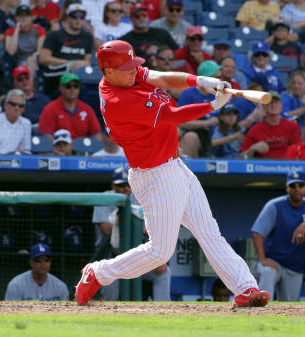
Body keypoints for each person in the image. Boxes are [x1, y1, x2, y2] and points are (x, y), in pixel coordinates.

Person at [75, 40, 270, 308]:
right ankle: (98, 273)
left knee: (209, 232)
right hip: (154, 175)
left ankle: (246, 288)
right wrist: (213, 106)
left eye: (134, 66)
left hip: (174, 166)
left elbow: (162, 78)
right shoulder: (118, 100)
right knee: (159, 251)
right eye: (127, 68)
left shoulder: (124, 77)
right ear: (108, 72)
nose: (134, 71)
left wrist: (200, 80)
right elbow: (172, 116)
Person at [92, 167, 171, 301]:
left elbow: (153, 229)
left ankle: (163, 311)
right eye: (121, 185)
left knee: (164, 272)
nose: (126, 189)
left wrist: (160, 259)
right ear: (113, 186)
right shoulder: (106, 197)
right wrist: (139, 226)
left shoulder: (140, 197)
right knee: (110, 300)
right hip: (111, 258)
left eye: (129, 184)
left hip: (137, 258)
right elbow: (107, 230)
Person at [252, 171, 305, 301]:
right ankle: (260, 312)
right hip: (274, 261)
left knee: (290, 305)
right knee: (267, 272)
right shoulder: (275, 205)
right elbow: (258, 231)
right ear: (287, 188)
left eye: (300, 185)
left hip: (295, 266)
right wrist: (263, 259)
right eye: (293, 185)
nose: (297, 189)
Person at [38, 3, 93, 97]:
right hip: (56, 75)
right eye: (74, 16)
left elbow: (87, 61)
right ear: (67, 17)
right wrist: (69, 64)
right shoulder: (54, 35)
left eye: (82, 17)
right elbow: (43, 58)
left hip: (79, 76)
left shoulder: (88, 37)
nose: (78, 20)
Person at [38, 72, 102, 141]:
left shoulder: (87, 109)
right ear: (60, 88)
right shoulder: (50, 109)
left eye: (76, 86)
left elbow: (96, 134)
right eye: (68, 86)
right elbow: (47, 136)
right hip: (59, 149)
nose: (72, 89)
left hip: (82, 150)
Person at [239, 91, 300, 159]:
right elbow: (241, 158)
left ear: (281, 106)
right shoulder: (255, 130)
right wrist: (252, 149)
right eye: (269, 102)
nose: (273, 105)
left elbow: (299, 151)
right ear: (263, 106)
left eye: (276, 102)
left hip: (287, 166)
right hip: (264, 167)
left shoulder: (291, 126)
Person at [177, 60, 219, 158]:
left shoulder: (222, 93)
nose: (219, 81)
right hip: (198, 135)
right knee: (190, 137)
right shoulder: (189, 94)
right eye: (216, 78)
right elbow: (180, 122)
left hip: (219, 133)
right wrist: (207, 123)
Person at [5, 243, 69, 301]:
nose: (43, 264)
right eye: (38, 260)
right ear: (31, 262)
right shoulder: (16, 285)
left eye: (46, 260)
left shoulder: (60, 286)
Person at [4, 5, 46, 74]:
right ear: (16, 18)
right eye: (20, 15)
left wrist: (30, 59)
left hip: (35, 60)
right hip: (17, 61)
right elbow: (11, 51)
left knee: (31, 62)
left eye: (26, 15)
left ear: (31, 18)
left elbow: (40, 50)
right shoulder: (10, 31)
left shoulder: (39, 30)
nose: (23, 18)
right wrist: (17, 29)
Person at [0, 89, 31, 154]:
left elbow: (26, 149)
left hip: (15, 160)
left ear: (23, 109)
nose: (16, 107)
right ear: (5, 105)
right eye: (13, 104)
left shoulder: (26, 123)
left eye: (20, 105)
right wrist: (0, 161)